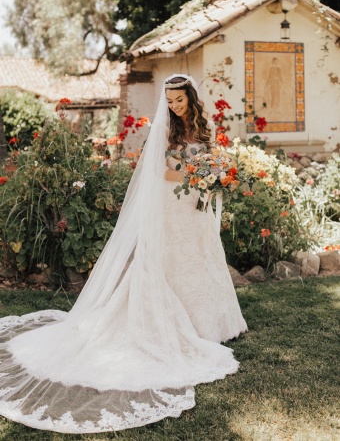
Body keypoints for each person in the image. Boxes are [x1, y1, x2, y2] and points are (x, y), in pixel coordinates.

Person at [0, 74, 247, 434]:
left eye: (180, 100)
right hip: (173, 205)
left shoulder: (201, 128)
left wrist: (212, 175)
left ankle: (210, 324)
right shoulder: (167, 130)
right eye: (172, 101)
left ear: (191, 98)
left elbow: (205, 161)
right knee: (174, 260)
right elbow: (160, 172)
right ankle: (171, 325)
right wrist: (196, 174)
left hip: (197, 204)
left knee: (200, 256)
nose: (176, 106)